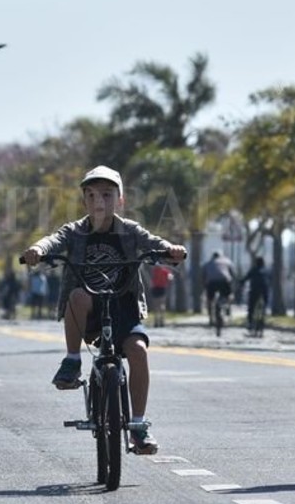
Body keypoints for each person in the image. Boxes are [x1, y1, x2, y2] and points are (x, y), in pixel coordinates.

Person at [21, 165, 187, 455]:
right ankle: (72, 361)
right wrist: (37, 249)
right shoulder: (74, 231)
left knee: (138, 350)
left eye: (107, 195)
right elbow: (52, 241)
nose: (100, 202)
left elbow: (153, 242)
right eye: (93, 195)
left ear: (120, 200)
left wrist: (170, 249)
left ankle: (138, 426)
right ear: (84, 200)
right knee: (77, 295)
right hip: (88, 313)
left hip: (123, 306)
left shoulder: (129, 230)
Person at [201, 251, 235, 325]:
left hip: (212, 282)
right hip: (224, 281)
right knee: (229, 295)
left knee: (209, 300)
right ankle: (227, 308)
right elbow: (232, 274)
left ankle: (210, 318)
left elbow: (203, 276)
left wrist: (205, 287)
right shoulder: (227, 262)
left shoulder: (207, 264)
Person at [242, 256, 269, 336]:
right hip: (264, 290)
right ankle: (262, 320)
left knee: (251, 307)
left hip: (255, 290)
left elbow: (246, 278)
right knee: (264, 306)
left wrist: (241, 282)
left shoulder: (253, 270)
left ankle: (250, 323)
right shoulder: (267, 270)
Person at [149, 262, 173, 327]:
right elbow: (170, 277)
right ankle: (161, 321)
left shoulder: (155, 270)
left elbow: (152, 279)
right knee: (161, 305)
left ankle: (157, 321)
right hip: (161, 288)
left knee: (156, 305)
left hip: (156, 288)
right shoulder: (165, 271)